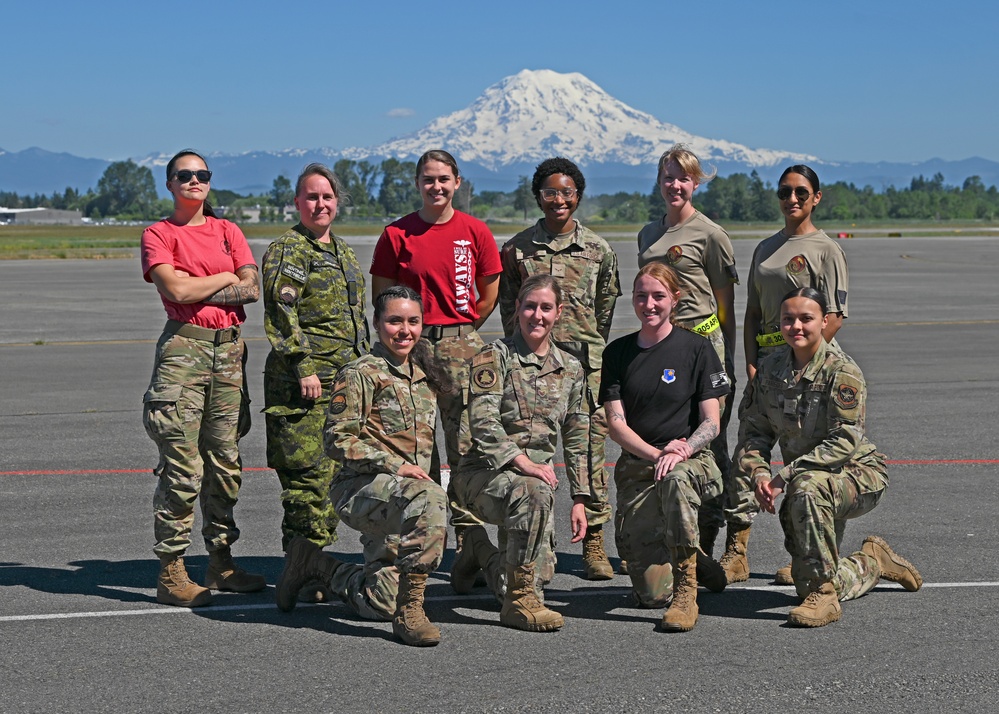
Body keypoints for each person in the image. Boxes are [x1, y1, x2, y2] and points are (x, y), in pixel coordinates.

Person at [276, 286, 454, 647]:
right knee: (430, 501)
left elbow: (427, 449)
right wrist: (394, 465)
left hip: (407, 500)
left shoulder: (424, 374)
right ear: (376, 323)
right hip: (361, 490)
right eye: (394, 321)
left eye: (413, 321)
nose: (404, 330)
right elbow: (337, 438)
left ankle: (318, 565)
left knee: (380, 602)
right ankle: (411, 612)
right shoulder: (360, 373)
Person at [740, 288, 922, 627]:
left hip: (857, 474)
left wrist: (785, 475)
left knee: (806, 488)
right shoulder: (769, 370)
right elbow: (754, 433)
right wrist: (760, 474)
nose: (796, 326)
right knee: (802, 581)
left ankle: (825, 598)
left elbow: (844, 441)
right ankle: (871, 561)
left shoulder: (842, 371)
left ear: (824, 322)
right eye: (788, 319)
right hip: (807, 481)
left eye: (806, 318)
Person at [140, 149, 265, 607]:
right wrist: (225, 273)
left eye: (202, 175)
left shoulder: (228, 230)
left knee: (225, 464)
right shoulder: (159, 233)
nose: (194, 181)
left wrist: (204, 280)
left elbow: (252, 288)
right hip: (184, 351)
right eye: (184, 175)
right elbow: (174, 289)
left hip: (230, 352)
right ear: (170, 184)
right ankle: (171, 571)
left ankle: (221, 561)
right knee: (183, 470)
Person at [369, 149, 502, 569]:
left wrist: (460, 330)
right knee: (412, 447)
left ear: (457, 182)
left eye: (444, 179)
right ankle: (412, 544)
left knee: (464, 448)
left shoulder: (475, 231)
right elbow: (382, 295)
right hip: (412, 348)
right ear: (418, 184)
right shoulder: (397, 234)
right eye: (428, 179)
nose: (436, 187)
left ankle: (469, 544)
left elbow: (489, 293)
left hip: (462, 346)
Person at [719, 164, 850, 585]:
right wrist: (755, 363)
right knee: (748, 454)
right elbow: (754, 312)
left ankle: (805, 556)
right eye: (784, 193)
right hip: (768, 367)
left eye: (800, 192)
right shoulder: (766, 248)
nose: (791, 199)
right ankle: (736, 549)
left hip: (807, 367)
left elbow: (834, 316)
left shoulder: (826, 249)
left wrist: (801, 359)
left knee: (802, 462)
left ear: (816, 197)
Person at [498, 157, 621, 580]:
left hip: (584, 367)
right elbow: (510, 308)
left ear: (578, 196)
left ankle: (594, 543)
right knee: (533, 444)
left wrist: (584, 351)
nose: (559, 200)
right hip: (532, 364)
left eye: (567, 192)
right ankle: (538, 537)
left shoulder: (599, 251)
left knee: (588, 448)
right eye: (550, 192)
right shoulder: (517, 250)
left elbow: (604, 311)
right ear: (538, 196)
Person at [452, 274, 590, 632]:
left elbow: (578, 439)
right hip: (483, 476)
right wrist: (522, 462)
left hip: (534, 488)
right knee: (520, 579)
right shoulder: (493, 357)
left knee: (541, 573)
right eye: (530, 306)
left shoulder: (571, 369)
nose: (537, 315)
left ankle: (478, 551)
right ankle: (518, 602)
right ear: (517, 309)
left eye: (546, 308)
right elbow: (482, 423)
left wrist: (580, 498)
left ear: (558, 312)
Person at [600, 263, 731, 632]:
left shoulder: (697, 349)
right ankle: (694, 557)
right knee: (651, 594)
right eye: (641, 296)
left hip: (692, 462)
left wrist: (682, 450)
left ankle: (687, 589)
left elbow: (712, 421)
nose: (649, 304)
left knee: (674, 479)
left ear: (675, 298)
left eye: (658, 296)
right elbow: (616, 424)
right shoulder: (618, 353)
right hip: (641, 464)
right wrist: (657, 454)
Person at [262, 164, 369, 568]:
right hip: (305, 387)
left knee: (333, 478)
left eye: (327, 197)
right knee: (307, 479)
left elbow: (355, 319)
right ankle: (301, 568)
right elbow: (281, 313)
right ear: (297, 203)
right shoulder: (290, 250)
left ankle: (310, 564)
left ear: (337, 202)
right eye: (312, 197)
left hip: (341, 386)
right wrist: (302, 366)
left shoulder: (341, 251)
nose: (320, 204)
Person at [637, 144, 738, 561]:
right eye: (667, 177)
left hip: (701, 342)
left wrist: (726, 359)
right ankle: (671, 534)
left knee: (709, 443)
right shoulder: (648, 233)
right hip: (661, 344)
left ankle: (723, 536)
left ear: (695, 183)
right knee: (664, 438)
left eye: (682, 177)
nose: (674, 185)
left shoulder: (710, 234)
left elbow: (725, 304)